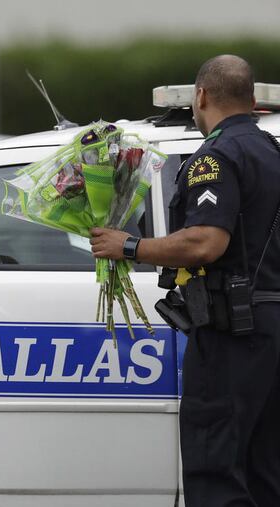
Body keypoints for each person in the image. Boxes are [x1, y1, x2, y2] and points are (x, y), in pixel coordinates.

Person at [90, 55, 280, 507]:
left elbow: (205, 242)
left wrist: (129, 247)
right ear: (253, 102)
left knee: (216, 467)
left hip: (234, 332)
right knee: (264, 470)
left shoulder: (214, 156)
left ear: (201, 96)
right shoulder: (272, 151)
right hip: (269, 326)